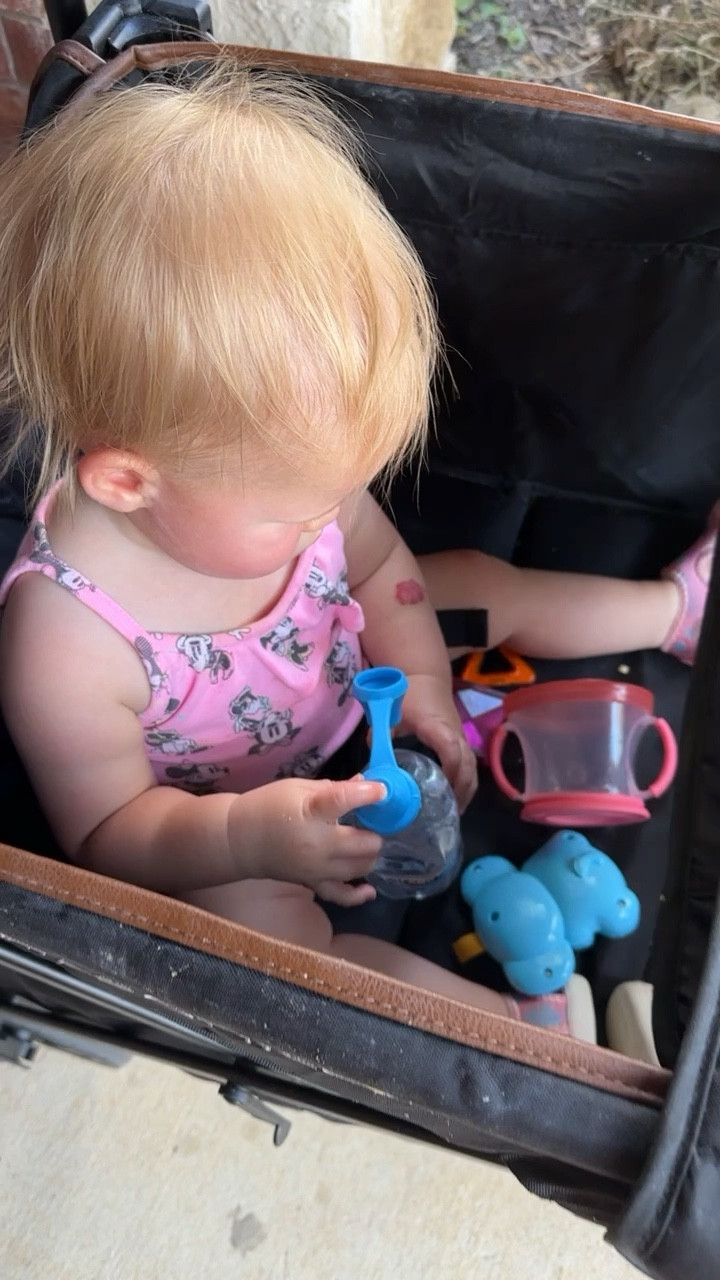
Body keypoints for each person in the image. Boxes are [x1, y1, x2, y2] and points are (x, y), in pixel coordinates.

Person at [0, 63, 712, 1041]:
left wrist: (419, 673)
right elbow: (107, 833)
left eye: (342, 487)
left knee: (477, 585)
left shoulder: (284, 477)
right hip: (231, 803)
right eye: (300, 512)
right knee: (273, 955)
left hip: (359, 659)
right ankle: (528, 1034)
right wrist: (250, 834)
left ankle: (673, 610)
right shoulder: (66, 640)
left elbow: (380, 568)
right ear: (130, 480)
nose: (328, 517)